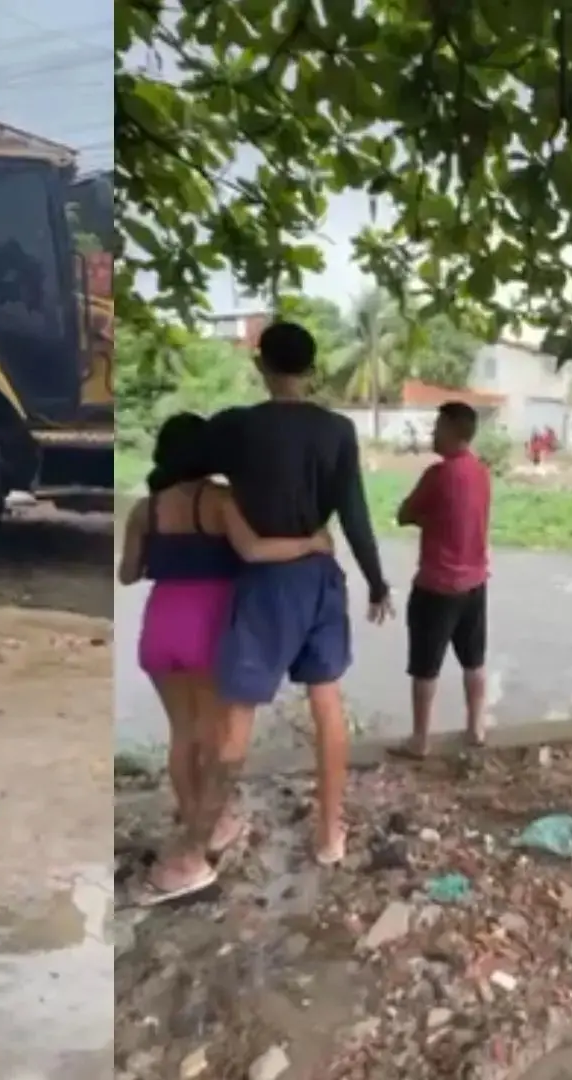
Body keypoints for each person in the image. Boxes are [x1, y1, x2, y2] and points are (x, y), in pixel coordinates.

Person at [195, 322, 392, 868]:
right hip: (321, 577)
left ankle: (211, 830)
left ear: (260, 366)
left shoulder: (237, 428)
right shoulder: (337, 431)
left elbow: (185, 468)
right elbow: (354, 514)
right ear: (310, 370)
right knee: (326, 702)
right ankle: (329, 835)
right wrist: (377, 581)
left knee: (239, 714)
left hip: (263, 581)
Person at [118, 412, 334, 903]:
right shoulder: (216, 500)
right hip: (209, 627)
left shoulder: (143, 509)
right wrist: (312, 542)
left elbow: (128, 574)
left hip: (160, 626)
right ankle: (202, 838)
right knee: (217, 737)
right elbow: (255, 552)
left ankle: (204, 823)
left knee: (182, 735)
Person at [387, 402, 492, 757]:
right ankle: (476, 727)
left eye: (437, 427)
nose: (433, 433)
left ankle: (420, 740)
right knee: (474, 660)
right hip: (475, 582)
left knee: (425, 667)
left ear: (452, 432)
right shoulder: (481, 473)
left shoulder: (438, 475)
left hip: (437, 585)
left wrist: (426, 520)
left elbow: (403, 514)